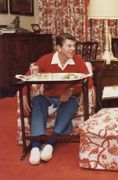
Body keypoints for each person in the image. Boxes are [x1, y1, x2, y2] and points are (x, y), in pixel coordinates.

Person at [22, 33, 93, 165]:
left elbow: (88, 83)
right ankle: (36, 145)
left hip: (69, 99)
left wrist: (71, 90)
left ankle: (50, 143)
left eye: (74, 46)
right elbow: (27, 77)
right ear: (59, 48)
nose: (73, 49)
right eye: (69, 46)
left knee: (72, 103)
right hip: (49, 98)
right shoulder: (46, 60)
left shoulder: (78, 61)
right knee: (38, 100)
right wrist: (25, 95)